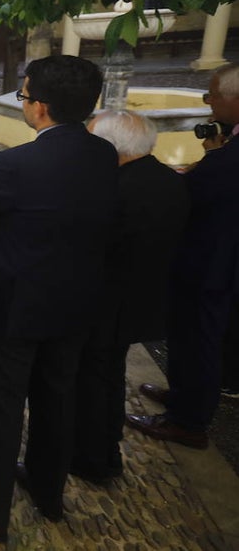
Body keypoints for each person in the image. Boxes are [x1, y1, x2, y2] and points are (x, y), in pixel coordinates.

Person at [0, 55, 117, 544]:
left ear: (40, 107)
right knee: (58, 396)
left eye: (24, 95)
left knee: (2, 404)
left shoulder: (15, 163)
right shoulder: (104, 154)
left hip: (14, 305)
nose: (23, 103)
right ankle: (47, 489)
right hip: (76, 302)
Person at [70, 110, 188, 483]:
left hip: (106, 303)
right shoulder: (169, 180)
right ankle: (106, 446)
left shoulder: (115, 190)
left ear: (111, 147)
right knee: (109, 374)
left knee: (93, 380)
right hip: (141, 300)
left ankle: (93, 459)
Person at [128, 63, 239, 448]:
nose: (209, 103)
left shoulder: (228, 160)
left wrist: (206, 163)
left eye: (213, 95)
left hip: (214, 263)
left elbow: (202, 191)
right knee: (184, 332)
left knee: (199, 339)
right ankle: (181, 395)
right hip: (207, 258)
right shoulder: (227, 143)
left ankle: (189, 421)